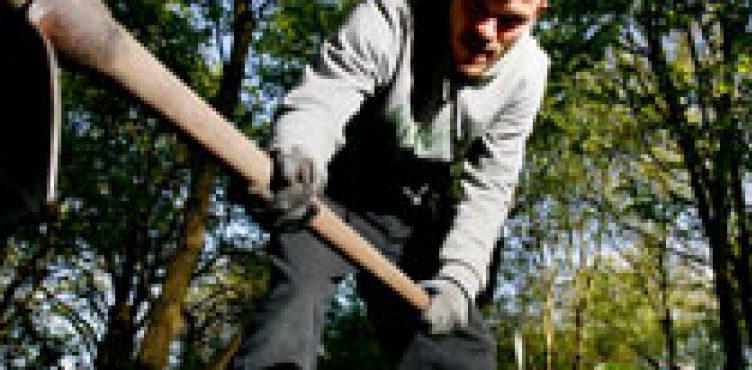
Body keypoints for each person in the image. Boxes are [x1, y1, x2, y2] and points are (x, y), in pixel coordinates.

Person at [233, 0, 550, 368]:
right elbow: (329, 91)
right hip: (330, 190)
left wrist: (460, 278)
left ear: (538, 12)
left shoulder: (528, 72)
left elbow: (492, 184)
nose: (486, 32)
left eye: (509, 21)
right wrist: (298, 155)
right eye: (478, 6)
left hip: (411, 212)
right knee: (292, 308)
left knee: (460, 350)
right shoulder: (391, 14)